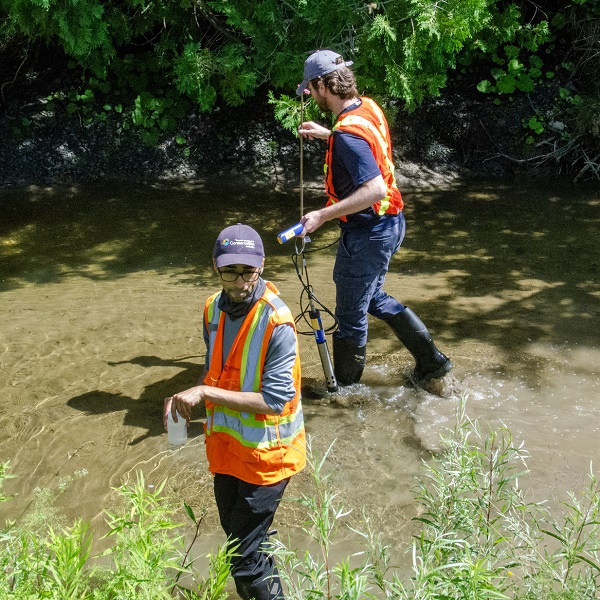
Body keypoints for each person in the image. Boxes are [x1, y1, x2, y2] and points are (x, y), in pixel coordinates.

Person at [163, 223, 305, 600]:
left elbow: (275, 400)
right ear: (215, 266)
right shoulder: (212, 307)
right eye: (231, 270)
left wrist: (204, 392)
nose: (240, 280)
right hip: (226, 449)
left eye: (248, 271)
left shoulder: (278, 322)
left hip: (267, 456)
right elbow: (216, 369)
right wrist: (186, 397)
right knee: (240, 542)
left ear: (261, 266)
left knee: (241, 556)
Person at [296, 49, 452, 387]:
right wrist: (329, 135)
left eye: (311, 88)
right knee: (373, 298)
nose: (310, 95)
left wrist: (322, 214)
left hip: (369, 233)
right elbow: (368, 143)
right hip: (392, 224)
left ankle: (345, 392)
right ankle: (432, 363)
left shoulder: (348, 136)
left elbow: (375, 188)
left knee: (351, 317)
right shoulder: (365, 107)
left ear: (324, 85)